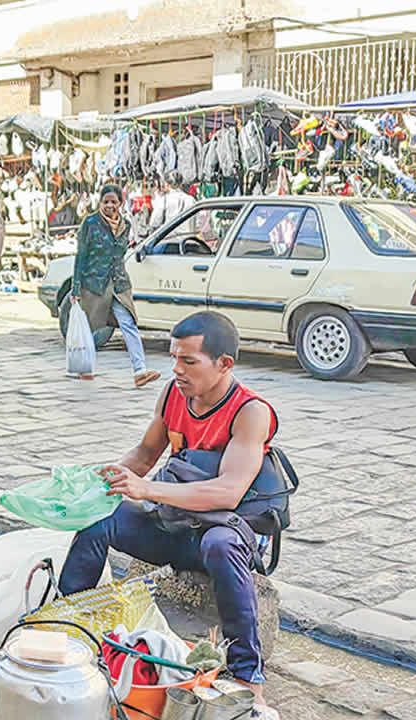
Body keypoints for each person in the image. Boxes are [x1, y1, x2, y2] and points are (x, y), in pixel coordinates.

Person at [60, 311, 280, 718]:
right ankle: (70, 633)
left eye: (189, 361)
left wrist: (147, 489)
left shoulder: (250, 412)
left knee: (221, 545)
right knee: (98, 521)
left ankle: (249, 677)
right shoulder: (174, 394)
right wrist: (102, 482)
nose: (176, 369)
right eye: (174, 357)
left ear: (224, 364)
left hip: (222, 533)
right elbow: (145, 455)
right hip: (173, 525)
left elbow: (228, 492)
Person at [71, 184, 160, 387]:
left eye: (114, 202)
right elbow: (81, 255)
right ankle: (84, 367)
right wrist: (76, 287)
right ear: (100, 203)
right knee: (90, 328)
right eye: (106, 202)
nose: (110, 205)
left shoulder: (125, 225)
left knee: (128, 323)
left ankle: (140, 371)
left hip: (119, 283)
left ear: (120, 203)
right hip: (94, 284)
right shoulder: (90, 223)